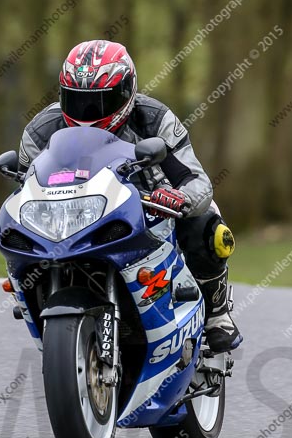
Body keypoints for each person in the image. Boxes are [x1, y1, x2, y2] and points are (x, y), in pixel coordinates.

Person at [18, 40, 242, 353]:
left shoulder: (154, 119)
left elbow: (196, 179)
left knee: (210, 229)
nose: (87, 114)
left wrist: (180, 198)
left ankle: (218, 314)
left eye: (100, 102)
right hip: (71, 215)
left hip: (148, 208)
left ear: (127, 92)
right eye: (78, 102)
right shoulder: (40, 130)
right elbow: (24, 185)